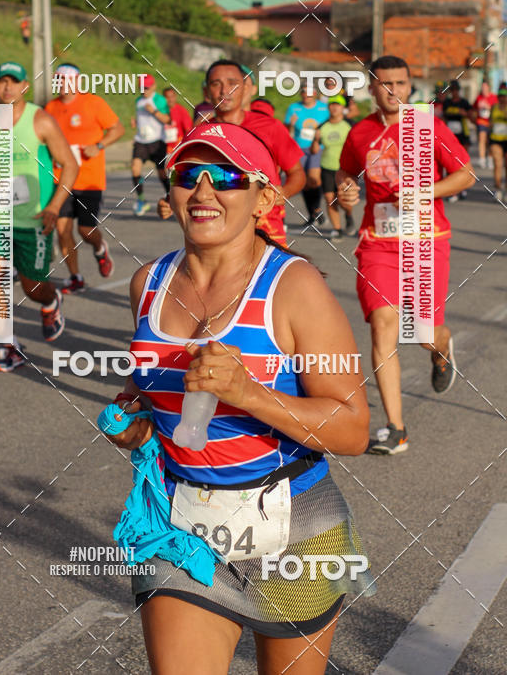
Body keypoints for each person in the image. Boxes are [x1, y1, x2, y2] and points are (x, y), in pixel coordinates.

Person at [106, 121, 371, 675]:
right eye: (188, 175)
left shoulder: (295, 287)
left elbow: (351, 429)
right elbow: (144, 396)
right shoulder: (148, 283)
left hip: (296, 531)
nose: (203, 190)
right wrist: (134, 421)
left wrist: (249, 393)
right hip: (182, 528)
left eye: (225, 177)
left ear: (264, 199)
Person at [337, 55, 475, 455]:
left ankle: (442, 347)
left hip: (426, 240)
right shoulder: (360, 132)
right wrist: (346, 190)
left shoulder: (426, 125)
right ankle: (396, 429)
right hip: (378, 241)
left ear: (410, 86)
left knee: (421, 333)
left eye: (400, 83)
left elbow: (465, 173)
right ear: (372, 88)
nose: (393, 90)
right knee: (383, 324)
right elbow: (345, 171)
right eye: (385, 83)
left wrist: (424, 192)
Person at [0, 62, 78, 372]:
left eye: (14, 81)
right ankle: (9, 346)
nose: (7, 87)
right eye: (2, 81)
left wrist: (54, 206)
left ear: (25, 86)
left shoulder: (40, 120)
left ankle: (51, 302)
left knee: (33, 288)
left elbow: (70, 164)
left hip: (34, 220)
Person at [159, 61, 306, 246]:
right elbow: (188, 175)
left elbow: (297, 174)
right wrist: (168, 201)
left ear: (245, 89)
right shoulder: (200, 134)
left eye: (232, 83)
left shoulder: (270, 127)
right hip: (217, 231)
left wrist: (284, 192)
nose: (224, 91)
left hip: (267, 231)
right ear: (206, 92)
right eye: (216, 84)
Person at [45, 63, 124, 293]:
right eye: (58, 79)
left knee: (86, 230)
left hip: (89, 179)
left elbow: (118, 129)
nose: (62, 84)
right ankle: (75, 277)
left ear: (77, 82)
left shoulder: (93, 103)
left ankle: (100, 248)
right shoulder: (51, 107)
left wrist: (98, 146)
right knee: (62, 230)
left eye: (66, 79)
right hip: (61, 179)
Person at [284, 83, 329, 227]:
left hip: (317, 147)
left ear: (315, 93)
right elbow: (287, 130)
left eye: (309, 92)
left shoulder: (323, 108)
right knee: (303, 182)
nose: (306, 95)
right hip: (299, 148)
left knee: (314, 179)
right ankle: (312, 214)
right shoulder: (294, 108)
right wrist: (291, 124)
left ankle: (316, 209)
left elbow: (332, 123)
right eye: (303, 92)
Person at [310, 96, 355, 240]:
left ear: (343, 108)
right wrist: (316, 139)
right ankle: (337, 229)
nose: (334, 108)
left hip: (345, 169)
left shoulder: (350, 125)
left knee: (343, 199)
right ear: (328, 107)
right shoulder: (322, 127)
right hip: (327, 168)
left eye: (338, 105)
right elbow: (314, 151)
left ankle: (348, 215)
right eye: (332, 105)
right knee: (330, 199)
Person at [131, 74, 170, 216]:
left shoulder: (159, 100)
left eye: (146, 88)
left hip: (157, 141)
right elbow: (142, 119)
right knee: (135, 169)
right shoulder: (138, 100)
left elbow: (167, 119)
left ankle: (170, 197)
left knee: (161, 173)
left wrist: (154, 111)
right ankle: (142, 200)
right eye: (141, 88)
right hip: (141, 141)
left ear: (153, 87)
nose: (144, 91)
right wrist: (135, 122)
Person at [442, 80, 471, 201]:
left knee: (462, 163)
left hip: (462, 136)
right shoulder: (447, 103)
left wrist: (465, 113)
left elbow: (472, 116)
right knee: (450, 163)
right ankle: (452, 191)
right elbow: (444, 117)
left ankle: (462, 187)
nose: (454, 92)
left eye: (456, 90)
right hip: (450, 137)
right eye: (452, 90)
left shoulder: (464, 102)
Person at [471, 80, 497, 168]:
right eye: (482, 87)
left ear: (488, 88)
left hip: (490, 122)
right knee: (482, 139)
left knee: (489, 141)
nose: (483, 89)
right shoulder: (479, 98)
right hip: (481, 121)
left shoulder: (494, 97)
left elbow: (497, 109)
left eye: (485, 87)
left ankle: (490, 158)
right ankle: (482, 159)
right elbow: (473, 109)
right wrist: (474, 118)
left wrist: (488, 107)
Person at [488, 86, 507, 201]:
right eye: (501, 96)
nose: (503, 99)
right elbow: (490, 123)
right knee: (498, 164)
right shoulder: (494, 107)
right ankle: (498, 188)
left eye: (504, 96)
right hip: (495, 139)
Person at [163, 86, 192, 155]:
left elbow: (188, 131)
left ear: (175, 97)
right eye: (167, 97)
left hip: (177, 148)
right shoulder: (160, 111)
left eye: (172, 97)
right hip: (162, 147)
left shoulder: (181, 111)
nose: (170, 100)